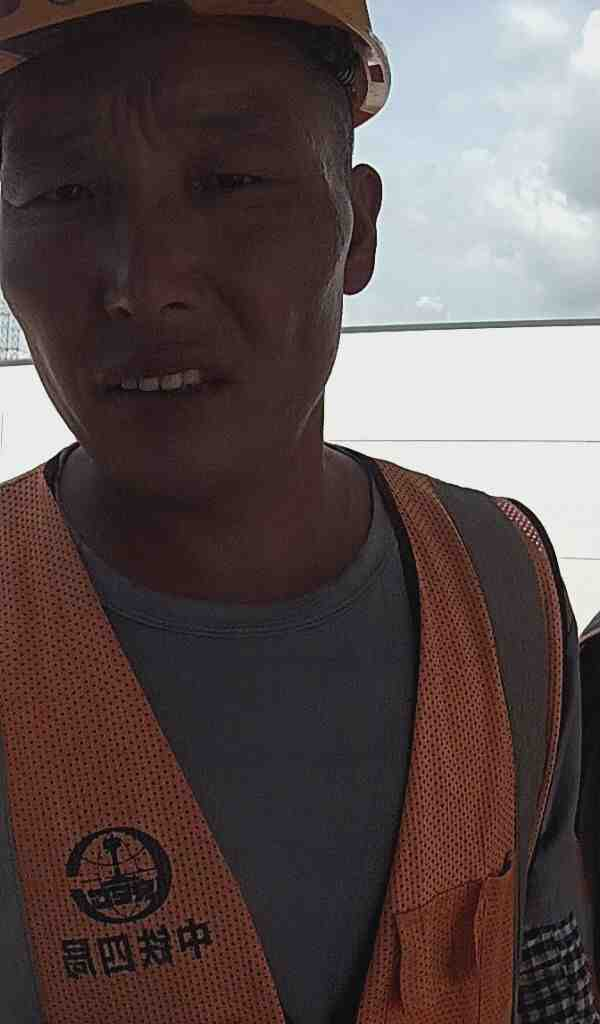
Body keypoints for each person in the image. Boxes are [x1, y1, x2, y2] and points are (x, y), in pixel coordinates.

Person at [0, 2, 596, 1022]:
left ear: (359, 228)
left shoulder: (505, 585)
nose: (145, 283)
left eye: (231, 182)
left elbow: (545, 978)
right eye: (64, 192)